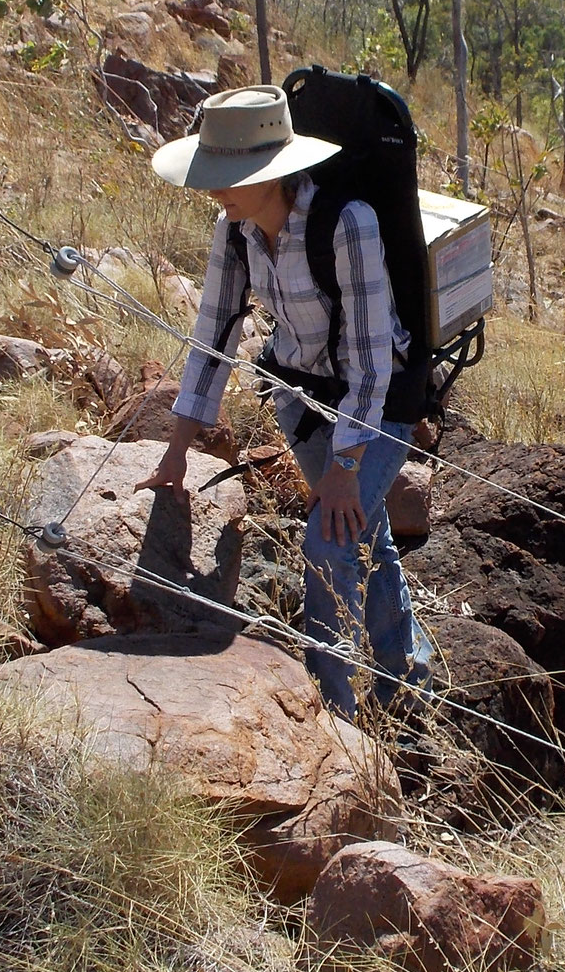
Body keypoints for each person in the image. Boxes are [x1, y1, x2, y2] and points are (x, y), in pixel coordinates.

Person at [136, 84, 432, 716]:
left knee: (329, 543)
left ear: (277, 173)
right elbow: (213, 332)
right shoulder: (236, 230)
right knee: (363, 536)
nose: (218, 188)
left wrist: (348, 467)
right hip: (301, 399)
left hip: (378, 403)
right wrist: (178, 449)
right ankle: (407, 675)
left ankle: (335, 716)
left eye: (234, 174)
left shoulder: (348, 223)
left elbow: (375, 362)